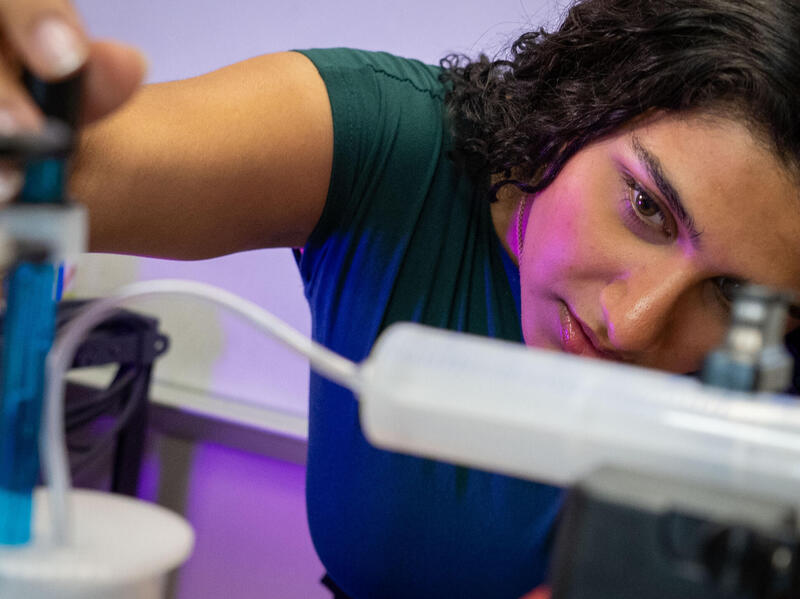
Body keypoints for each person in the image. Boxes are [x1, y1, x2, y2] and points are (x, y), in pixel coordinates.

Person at [3, 0, 800, 597]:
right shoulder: (396, 146)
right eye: (646, 208)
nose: (631, 323)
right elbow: (74, 172)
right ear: (588, 102)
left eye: (736, 295)